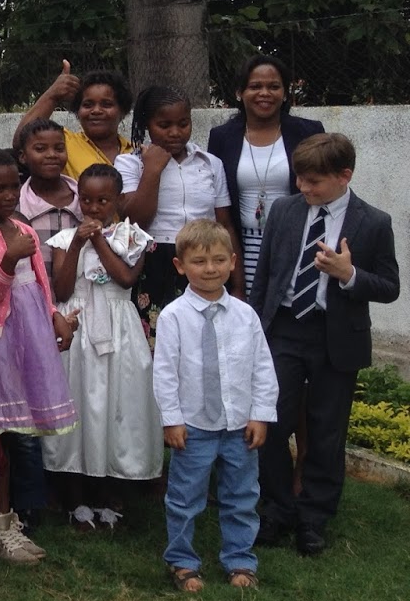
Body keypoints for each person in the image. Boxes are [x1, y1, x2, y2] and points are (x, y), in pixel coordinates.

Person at [250, 133, 399, 556]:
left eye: (313, 181)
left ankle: (313, 516)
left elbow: (389, 286)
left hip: (335, 336)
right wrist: (255, 329)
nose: (303, 187)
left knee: (326, 431)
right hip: (284, 330)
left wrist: (349, 275)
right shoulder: (285, 210)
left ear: (343, 176)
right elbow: (265, 274)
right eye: (299, 178)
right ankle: (276, 508)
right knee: (269, 420)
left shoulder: (374, 222)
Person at [0, 147, 77, 564]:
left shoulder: (22, 226)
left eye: (14, 186)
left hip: (30, 337)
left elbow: (40, 281)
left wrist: (53, 315)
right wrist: (9, 258)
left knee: (25, 429)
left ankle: (20, 515)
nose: (9, 195)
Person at [153, 220, 277, 591]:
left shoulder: (245, 315)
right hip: (193, 426)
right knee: (185, 497)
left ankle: (240, 560)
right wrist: (172, 420)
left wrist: (260, 415)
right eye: (200, 261)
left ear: (233, 262)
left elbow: (262, 367)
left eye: (219, 260)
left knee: (241, 496)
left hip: (239, 425)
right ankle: (182, 561)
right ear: (180, 266)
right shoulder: (173, 317)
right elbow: (165, 373)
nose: (210, 269)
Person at [42, 164, 159, 529]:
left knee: (116, 404)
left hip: (118, 327)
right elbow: (62, 289)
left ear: (118, 200)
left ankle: (109, 492)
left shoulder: (133, 236)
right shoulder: (65, 239)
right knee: (79, 401)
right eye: (86, 200)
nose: (93, 208)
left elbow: (124, 279)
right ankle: (75, 496)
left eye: (103, 200)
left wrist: (97, 241)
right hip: (78, 328)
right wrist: (78, 242)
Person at [117, 85, 237, 328]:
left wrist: (239, 286)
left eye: (183, 124)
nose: (175, 132)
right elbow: (135, 221)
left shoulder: (210, 163)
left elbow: (225, 224)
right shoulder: (130, 163)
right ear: (148, 125)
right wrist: (152, 170)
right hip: (154, 262)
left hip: (204, 258)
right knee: (157, 334)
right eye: (164, 125)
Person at [205, 55, 325, 293]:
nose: (264, 93)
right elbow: (219, 201)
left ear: (285, 93)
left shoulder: (308, 132)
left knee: (290, 308)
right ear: (240, 92)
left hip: (297, 242)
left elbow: (323, 187)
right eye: (255, 86)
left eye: (274, 86)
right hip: (243, 246)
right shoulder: (222, 137)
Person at [15, 62, 134, 178]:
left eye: (106, 104)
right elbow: (21, 140)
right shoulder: (62, 143)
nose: (96, 110)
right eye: (88, 105)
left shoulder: (136, 153)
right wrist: (52, 96)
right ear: (78, 111)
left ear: (123, 111)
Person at [16, 118, 80, 274]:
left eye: (59, 148)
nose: (52, 155)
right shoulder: (15, 207)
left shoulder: (86, 199)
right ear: (23, 156)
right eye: (40, 149)